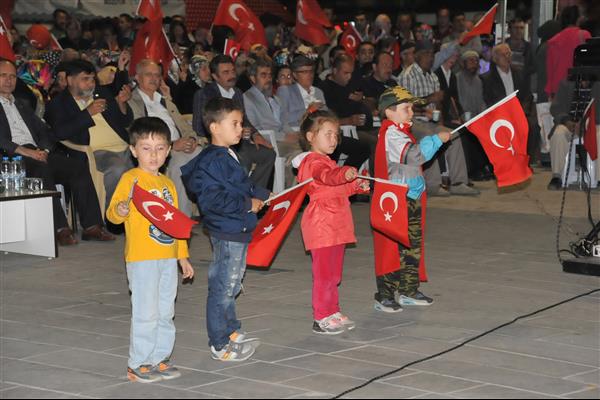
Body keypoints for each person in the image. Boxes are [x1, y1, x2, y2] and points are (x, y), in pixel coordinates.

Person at [106, 117, 194, 383]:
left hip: (167, 258)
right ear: (133, 150)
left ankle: (160, 357)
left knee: (166, 310)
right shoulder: (131, 179)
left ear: (168, 151)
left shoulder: (167, 184)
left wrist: (183, 256)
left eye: (159, 148)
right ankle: (139, 362)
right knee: (146, 312)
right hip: (142, 258)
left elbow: (176, 223)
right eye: (146, 148)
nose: (153, 154)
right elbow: (113, 213)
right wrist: (121, 209)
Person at [181, 97, 269, 361]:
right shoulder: (211, 161)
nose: (240, 128)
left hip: (236, 227)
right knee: (223, 285)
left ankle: (230, 330)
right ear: (214, 128)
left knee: (232, 282)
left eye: (241, 123)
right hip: (227, 229)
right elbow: (211, 200)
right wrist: (246, 204)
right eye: (234, 123)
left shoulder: (228, 154)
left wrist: (264, 194)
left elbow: (242, 184)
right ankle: (219, 343)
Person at [0, 58, 113, 246]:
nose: (9, 80)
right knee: (40, 169)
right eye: (3, 75)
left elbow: (46, 131)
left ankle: (92, 226)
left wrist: (43, 149)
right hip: (9, 157)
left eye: (12, 76)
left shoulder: (21, 104)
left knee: (77, 167)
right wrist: (26, 152)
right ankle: (60, 228)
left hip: (35, 152)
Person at [373, 86, 450, 312]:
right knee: (393, 247)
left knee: (412, 246)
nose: (410, 113)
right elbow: (414, 155)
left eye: (411, 108)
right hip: (396, 201)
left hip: (411, 196)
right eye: (405, 108)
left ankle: (408, 289)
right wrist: (436, 140)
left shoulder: (401, 131)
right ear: (389, 112)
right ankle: (384, 294)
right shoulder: (391, 134)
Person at [293, 107, 370, 334]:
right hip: (322, 225)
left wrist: (356, 185)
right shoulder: (312, 162)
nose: (334, 139)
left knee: (334, 273)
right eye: (327, 134)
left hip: (337, 223)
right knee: (324, 274)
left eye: (336, 134)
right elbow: (327, 178)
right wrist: (344, 173)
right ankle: (321, 316)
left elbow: (338, 187)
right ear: (310, 137)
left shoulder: (327, 160)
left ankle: (333, 310)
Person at [45, 59, 134, 207]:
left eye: (92, 79)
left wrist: (122, 103)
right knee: (117, 168)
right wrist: (88, 113)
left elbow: (125, 121)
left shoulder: (101, 93)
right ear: (70, 80)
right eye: (85, 79)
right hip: (96, 152)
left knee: (148, 166)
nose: (91, 83)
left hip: (126, 146)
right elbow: (59, 132)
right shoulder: (58, 103)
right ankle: (114, 216)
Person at [399, 40, 477, 196]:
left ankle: (458, 181)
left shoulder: (433, 77)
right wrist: (429, 99)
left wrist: (439, 119)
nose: (430, 58)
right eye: (426, 54)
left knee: (453, 135)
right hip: (411, 121)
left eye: (432, 54)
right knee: (430, 136)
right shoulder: (407, 76)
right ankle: (432, 183)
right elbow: (404, 106)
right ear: (417, 56)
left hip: (430, 121)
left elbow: (438, 105)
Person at [128, 59, 203, 217]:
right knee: (182, 163)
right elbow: (139, 133)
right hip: (157, 149)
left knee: (210, 156)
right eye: (149, 75)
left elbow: (185, 127)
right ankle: (181, 217)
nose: (154, 78)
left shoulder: (164, 100)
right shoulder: (131, 101)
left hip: (181, 146)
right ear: (137, 77)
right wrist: (172, 145)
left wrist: (191, 140)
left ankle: (214, 214)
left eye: (157, 75)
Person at [193, 54, 275, 190]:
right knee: (242, 160)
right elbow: (199, 126)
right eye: (225, 72)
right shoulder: (204, 94)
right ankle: (241, 198)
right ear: (215, 76)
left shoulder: (237, 92)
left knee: (268, 154)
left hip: (240, 142)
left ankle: (254, 192)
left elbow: (245, 120)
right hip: (218, 145)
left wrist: (255, 134)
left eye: (232, 71)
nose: (231, 75)